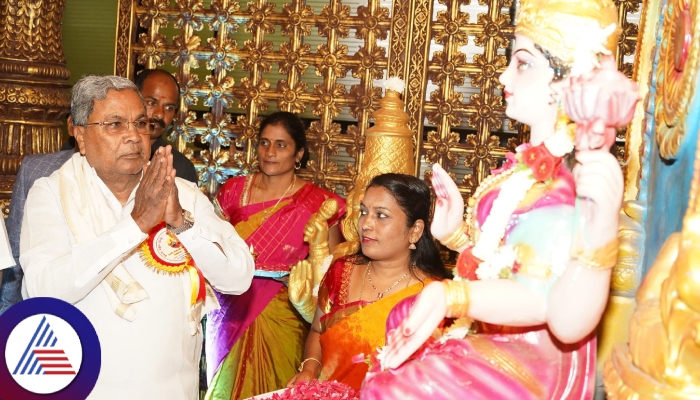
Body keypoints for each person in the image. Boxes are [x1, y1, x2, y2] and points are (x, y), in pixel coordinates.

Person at [361, 0, 636, 398]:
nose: (505, 75)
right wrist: (455, 236)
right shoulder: (524, 170)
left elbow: (544, 302)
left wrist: (451, 295)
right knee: (402, 317)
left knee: (398, 388)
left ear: (565, 82)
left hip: (529, 354)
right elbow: (499, 265)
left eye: (523, 63)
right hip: (494, 329)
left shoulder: (560, 189)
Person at [20, 75, 255, 400]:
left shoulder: (180, 192)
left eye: (140, 123)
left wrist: (180, 224)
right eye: (115, 124)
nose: (133, 136)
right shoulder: (51, 194)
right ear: (79, 133)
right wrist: (135, 224)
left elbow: (239, 276)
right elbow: (42, 290)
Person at [204, 111, 346, 399]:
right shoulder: (233, 192)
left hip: (286, 313)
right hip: (230, 309)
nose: (270, 152)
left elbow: (329, 273)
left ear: (299, 154)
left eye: (281, 145)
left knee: (279, 388)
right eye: (264, 143)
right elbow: (209, 246)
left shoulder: (319, 203)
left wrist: (300, 283)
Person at [286, 173, 452, 391]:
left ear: (415, 231)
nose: (366, 224)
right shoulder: (341, 271)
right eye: (364, 212)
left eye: (381, 215)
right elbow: (317, 331)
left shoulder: (436, 295)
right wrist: (309, 368)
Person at [0, 118, 75, 316]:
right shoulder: (37, 170)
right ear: (75, 128)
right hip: (40, 305)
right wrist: (7, 317)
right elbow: (13, 253)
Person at [134, 68, 198, 183]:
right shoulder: (109, 151)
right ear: (133, 99)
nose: (159, 114)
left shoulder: (181, 168)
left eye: (169, 108)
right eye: (151, 103)